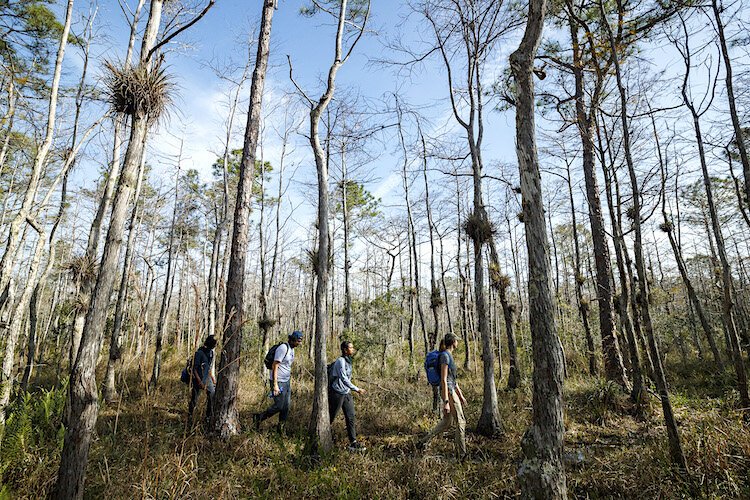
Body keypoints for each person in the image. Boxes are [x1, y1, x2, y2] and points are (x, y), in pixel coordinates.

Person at [417, 333, 467, 459]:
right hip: (448, 392)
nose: (458, 343)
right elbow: (444, 380)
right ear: (453, 342)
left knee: (446, 422)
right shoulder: (444, 356)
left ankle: (423, 441)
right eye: (457, 341)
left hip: (452, 390)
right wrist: (446, 402)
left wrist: (460, 395)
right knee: (461, 422)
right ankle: (462, 455)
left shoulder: (449, 355)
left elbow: (453, 379)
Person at [254, 330, 303, 433]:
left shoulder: (292, 349)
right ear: (293, 339)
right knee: (279, 405)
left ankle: (280, 430)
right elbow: (275, 366)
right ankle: (259, 417)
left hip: (286, 382)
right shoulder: (283, 348)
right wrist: (275, 385)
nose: (299, 343)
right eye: (298, 341)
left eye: (300, 341)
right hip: (278, 381)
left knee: (286, 407)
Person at [328, 340, 366, 451]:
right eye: (351, 348)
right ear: (345, 349)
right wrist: (357, 389)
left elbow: (347, 378)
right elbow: (343, 378)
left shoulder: (348, 361)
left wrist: (351, 389)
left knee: (351, 417)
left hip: (346, 393)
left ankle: (353, 443)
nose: (353, 349)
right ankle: (320, 436)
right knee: (331, 416)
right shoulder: (340, 361)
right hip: (337, 393)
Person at [188, 335, 217, 427]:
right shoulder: (199, 353)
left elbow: (208, 367)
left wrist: (212, 377)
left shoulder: (212, 353)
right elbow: (194, 368)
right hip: (197, 379)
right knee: (194, 398)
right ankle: (190, 416)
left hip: (207, 378)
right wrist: (199, 381)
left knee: (212, 395)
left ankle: (208, 417)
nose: (215, 345)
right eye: (214, 343)